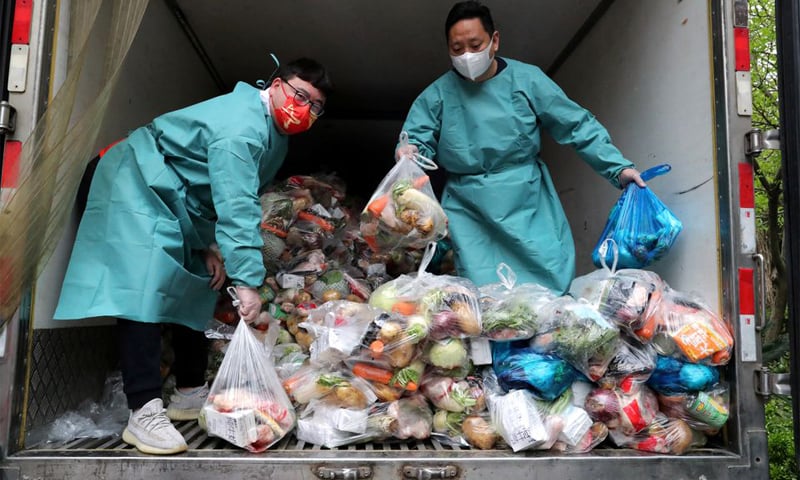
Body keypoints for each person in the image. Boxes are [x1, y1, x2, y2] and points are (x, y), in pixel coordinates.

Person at [53, 57, 333, 455]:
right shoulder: (243, 130)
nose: (304, 108)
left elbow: (210, 193)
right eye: (299, 95)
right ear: (274, 84)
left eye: (315, 106)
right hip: (129, 180)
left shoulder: (273, 135)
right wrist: (247, 281)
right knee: (144, 291)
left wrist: (209, 247)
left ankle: (188, 393)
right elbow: (236, 206)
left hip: (168, 195)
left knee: (197, 280)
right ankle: (143, 411)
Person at [395, 1, 646, 293]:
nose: (467, 55)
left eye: (475, 45)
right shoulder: (437, 95)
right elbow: (415, 140)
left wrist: (618, 168)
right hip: (468, 207)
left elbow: (576, 125)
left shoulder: (528, 80)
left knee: (547, 283)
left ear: (495, 40)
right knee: (486, 297)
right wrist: (408, 154)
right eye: (457, 48)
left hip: (526, 200)